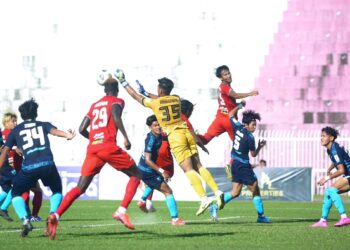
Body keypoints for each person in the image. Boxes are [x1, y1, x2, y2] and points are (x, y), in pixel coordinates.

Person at [47, 71, 141, 240]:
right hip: (108, 146)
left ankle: (56, 215)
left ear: (104, 90)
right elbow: (115, 115)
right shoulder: (117, 101)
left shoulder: (94, 105)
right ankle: (121, 211)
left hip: (93, 149)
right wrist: (125, 137)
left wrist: (95, 138)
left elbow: (82, 128)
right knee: (136, 175)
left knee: (80, 187)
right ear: (115, 89)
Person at [116, 70, 224, 216]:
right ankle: (217, 191)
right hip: (186, 131)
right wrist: (148, 93)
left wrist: (124, 82)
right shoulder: (176, 98)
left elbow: (136, 96)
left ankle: (204, 198)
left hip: (175, 136)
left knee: (188, 170)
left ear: (160, 89)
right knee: (199, 165)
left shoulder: (155, 104)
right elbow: (162, 100)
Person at [0, 99, 76, 237]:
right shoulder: (43, 125)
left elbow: (5, 151)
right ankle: (52, 214)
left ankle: (25, 220)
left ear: (22, 116)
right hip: (48, 164)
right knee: (57, 190)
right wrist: (67, 135)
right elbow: (54, 131)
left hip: (29, 167)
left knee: (16, 193)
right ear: (36, 113)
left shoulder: (16, 130)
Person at [214, 101, 271, 223]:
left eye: (255, 125)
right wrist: (260, 146)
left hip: (234, 164)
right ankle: (261, 216)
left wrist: (239, 106)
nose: (254, 127)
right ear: (246, 124)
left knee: (235, 193)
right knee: (255, 189)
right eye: (253, 125)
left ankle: (214, 207)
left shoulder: (238, 127)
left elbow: (230, 114)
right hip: (243, 166)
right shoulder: (250, 137)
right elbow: (253, 154)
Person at [136, 115, 185, 225]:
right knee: (168, 191)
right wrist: (162, 171)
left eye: (159, 124)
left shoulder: (158, 136)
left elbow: (168, 137)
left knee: (154, 184)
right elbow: (148, 160)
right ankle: (175, 219)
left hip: (146, 169)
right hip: (147, 170)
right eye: (155, 125)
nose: (158, 127)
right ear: (150, 127)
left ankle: (142, 200)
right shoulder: (151, 139)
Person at [198, 65, 259, 145]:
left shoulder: (223, 87)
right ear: (221, 78)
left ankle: (191, 135)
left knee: (204, 139)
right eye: (225, 75)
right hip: (229, 120)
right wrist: (250, 93)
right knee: (240, 146)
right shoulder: (225, 87)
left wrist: (239, 104)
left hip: (219, 118)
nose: (229, 76)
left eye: (229, 73)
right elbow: (235, 95)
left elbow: (228, 103)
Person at [0, 112, 43, 222]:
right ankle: (27, 214)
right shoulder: (10, 133)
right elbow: (5, 148)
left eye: (16, 121)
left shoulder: (9, 133)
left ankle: (30, 215)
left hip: (16, 166)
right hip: (12, 167)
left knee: (8, 190)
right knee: (20, 189)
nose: (15, 123)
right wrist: (15, 149)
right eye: (12, 121)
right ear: (6, 122)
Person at [311, 127, 350, 227]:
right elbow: (337, 160)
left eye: (324, 136)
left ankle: (344, 217)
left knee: (331, 190)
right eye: (321, 136)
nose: (321, 138)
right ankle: (323, 220)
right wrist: (329, 169)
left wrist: (326, 178)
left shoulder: (334, 149)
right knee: (329, 192)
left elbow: (341, 170)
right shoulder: (331, 149)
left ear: (331, 138)